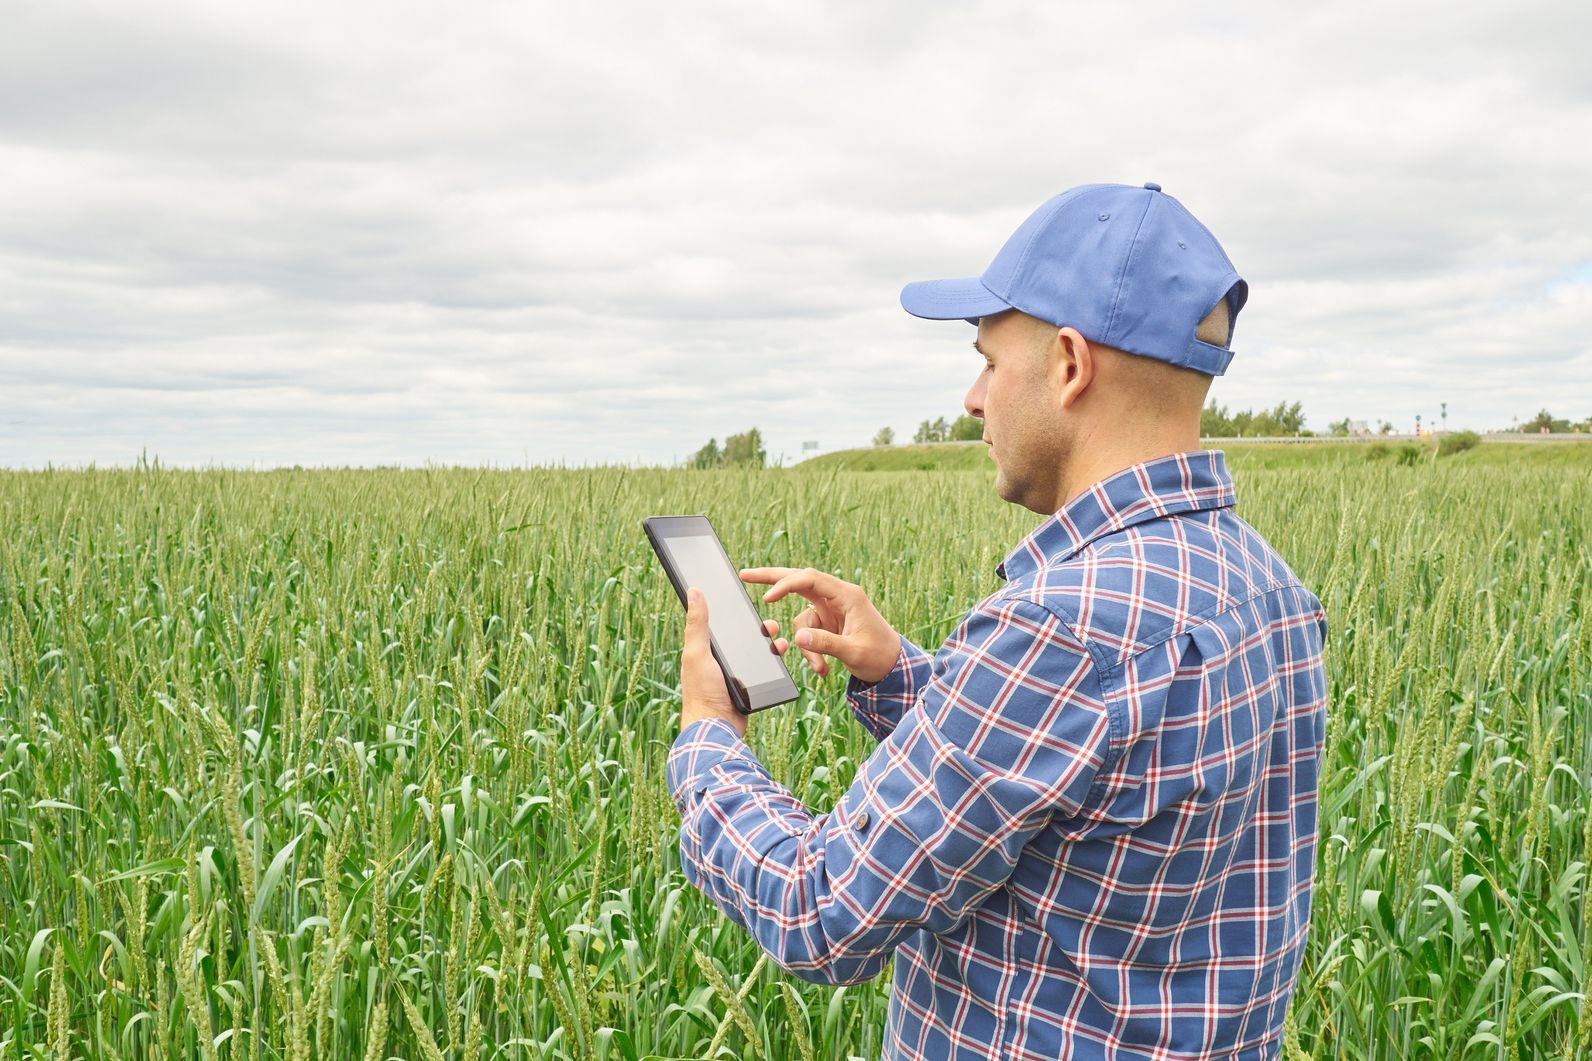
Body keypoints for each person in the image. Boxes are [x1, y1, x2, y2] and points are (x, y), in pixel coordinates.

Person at [669, 182, 1329, 1059]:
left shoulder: (1061, 626)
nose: (973, 397)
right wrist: (901, 671)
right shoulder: (1272, 588)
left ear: (1068, 363)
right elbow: (1088, 784)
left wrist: (707, 741)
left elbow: (820, 909)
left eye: (988, 359)